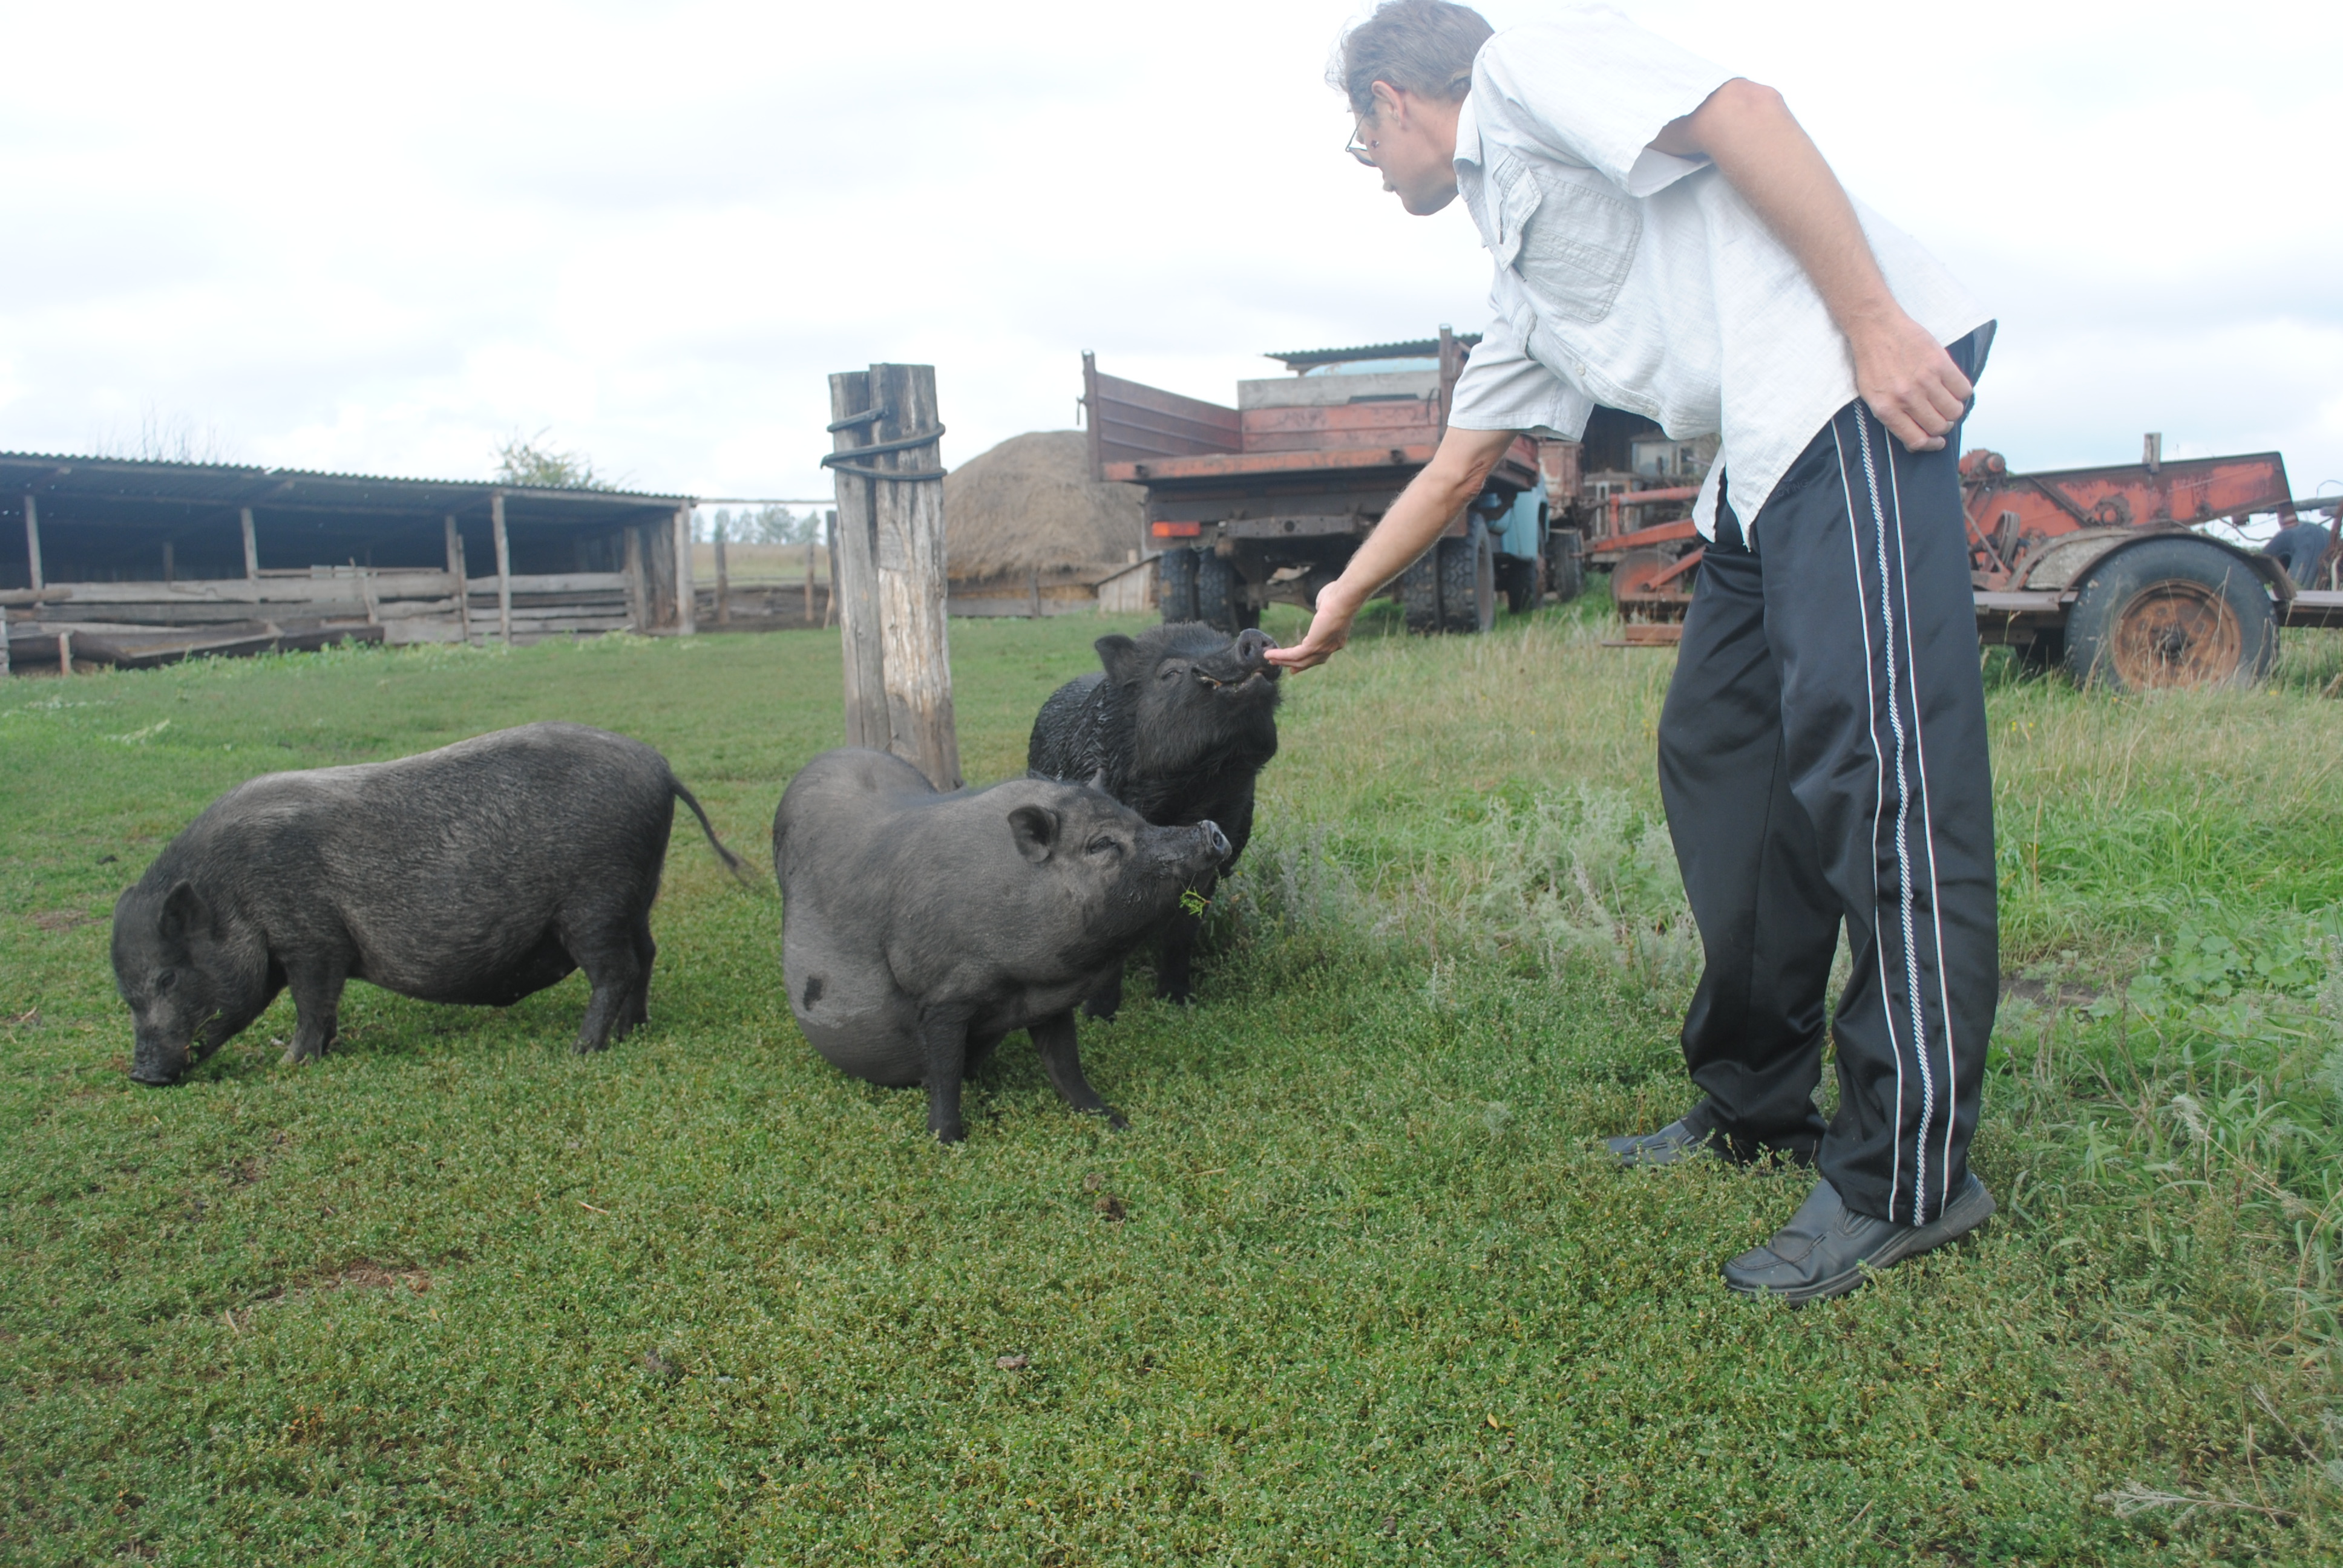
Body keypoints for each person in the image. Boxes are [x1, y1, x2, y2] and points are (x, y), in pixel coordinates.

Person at [1265, 1, 2000, 1303]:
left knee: (1877, 779)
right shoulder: (1520, 280)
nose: (1367, 164)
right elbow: (1457, 466)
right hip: (1760, 465)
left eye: (1357, 138)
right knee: (1722, 754)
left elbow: (1745, 114)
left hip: (1845, 390)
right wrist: (1341, 598)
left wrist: (1876, 322)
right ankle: (1755, 1100)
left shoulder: (1529, 70)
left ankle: (1907, 1177)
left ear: (1392, 99)